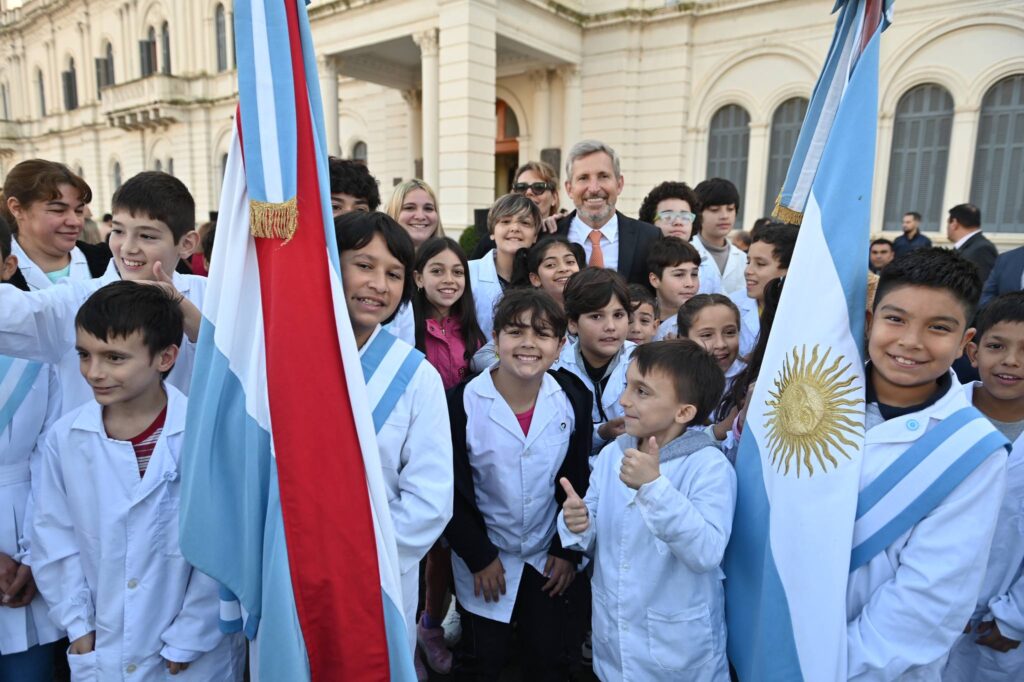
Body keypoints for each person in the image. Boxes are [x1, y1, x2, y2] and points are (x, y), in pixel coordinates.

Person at [30, 282, 245, 680]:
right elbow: (53, 539)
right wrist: (79, 628)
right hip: (103, 646)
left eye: (114, 358)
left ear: (165, 357)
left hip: (192, 656)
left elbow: (222, 545)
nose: (94, 372)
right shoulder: (66, 439)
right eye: (84, 355)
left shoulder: (203, 435)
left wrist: (191, 636)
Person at [848, 247, 1010, 679]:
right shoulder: (816, 403)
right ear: (869, 323)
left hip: (868, 666)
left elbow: (929, 600)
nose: (911, 342)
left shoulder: (971, 449)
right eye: (895, 319)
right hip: (767, 641)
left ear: (964, 343)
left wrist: (816, 664)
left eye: (938, 328)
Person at [558, 339, 735, 681]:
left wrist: (653, 488)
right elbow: (595, 530)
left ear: (684, 412)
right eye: (627, 385)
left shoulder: (708, 466)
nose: (624, 400)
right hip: (614, 650)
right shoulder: (614, 453)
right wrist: (579, 523)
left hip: (678, 655)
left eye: (642, 391)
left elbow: (707, 551)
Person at [445, 288, 592, 681]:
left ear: (561, 346)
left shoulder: (573, 397)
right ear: (495, 340)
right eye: (515, 331)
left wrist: (566, 551)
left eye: (543, 334)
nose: (528, 343)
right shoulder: (460, 404)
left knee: (547, 657)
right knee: (483, 660)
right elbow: (449, 490)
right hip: (485, 559)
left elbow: (577, 478)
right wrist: (479, 556)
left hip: (547, 556)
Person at [334, 212, 454, 680]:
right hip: (292, 567)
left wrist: (357, 557)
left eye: (393, 273)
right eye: (364, 265)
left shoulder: (415, 375)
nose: (378, 284)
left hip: (376, 576)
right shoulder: (279, 359)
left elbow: (429, 498)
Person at [0, 171, 205, 412]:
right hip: (92, 447)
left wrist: (192, 320)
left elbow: (245, 366)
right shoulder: (75, 300)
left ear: (187, 243)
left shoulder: (210, 295)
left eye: (147, 236)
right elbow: (15, 313)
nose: (128, 248)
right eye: (118, 231)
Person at [408, 236, 484, 677]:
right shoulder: (407, 327)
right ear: (417, 278)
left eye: (457, 271)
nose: (449, 280)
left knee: (448, 546)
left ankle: (432, 624)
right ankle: (409, 632)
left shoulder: (472, 330)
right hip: (420, 447)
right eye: (437, 270)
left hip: (465, 448)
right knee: (422, 544)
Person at [943, 292, 1024, 681]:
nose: (1011, 360)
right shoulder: (940, 416)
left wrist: (1015, 617)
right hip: (923, 602)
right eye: (997, 346)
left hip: (999, 623)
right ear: (972, 352)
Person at [0, 219, 62, 680]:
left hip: (30, 544)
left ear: (8, 267)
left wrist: (36, 553)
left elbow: (53, 457)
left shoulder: (43, 352)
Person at [555, 140, 661, 286]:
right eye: (583, 178)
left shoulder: (649, 238)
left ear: (619, 184)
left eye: (603, 176)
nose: (593, 188)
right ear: (569, 189)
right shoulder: (549, 234)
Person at [554, 268, 634, 456]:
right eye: (596, 316)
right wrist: (602, 432)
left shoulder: (645, 363)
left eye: (618, 315)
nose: (610, 327)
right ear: (572, 323)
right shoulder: (556, 371)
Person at [469, 194, 542, 338]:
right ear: (492, 232)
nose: (514, 228)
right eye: (506, 221)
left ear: (535, 236)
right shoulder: (467, 273)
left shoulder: (543, 277)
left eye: (525, 223)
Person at [638, 180, 723, 294]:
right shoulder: (638, 260)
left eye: (685, 216)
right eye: (667, 216)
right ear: (650, 221)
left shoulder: (707, 265)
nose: (678, 222)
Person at [729, 223, 798, 358]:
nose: (748, 271)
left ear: (790, 269)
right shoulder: (731, 304)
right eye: (748, 262)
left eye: (760, 264)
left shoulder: (804, 313)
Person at [692, 178, 747, 295]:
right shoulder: (685, 253)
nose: (724, 216)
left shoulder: (743, 259)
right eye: (714, 210)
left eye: (730, 209)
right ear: (698, 213)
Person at [648, 236, 702, 341]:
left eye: (694, 274)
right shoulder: (638, 316)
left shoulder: (703, 320)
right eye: (679, 275)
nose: (689, 283)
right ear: (655, 280)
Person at [512, 234, 584, 311]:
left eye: (570, 262)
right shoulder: (527, 317)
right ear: (535, 279)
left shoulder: (593, 307)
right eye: (551, 265)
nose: (563, 269)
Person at [949, 203, 998, 283]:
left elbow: (983, 286)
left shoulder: (982, 249)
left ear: (954, 223)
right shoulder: (967, 247)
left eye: (948, 223)